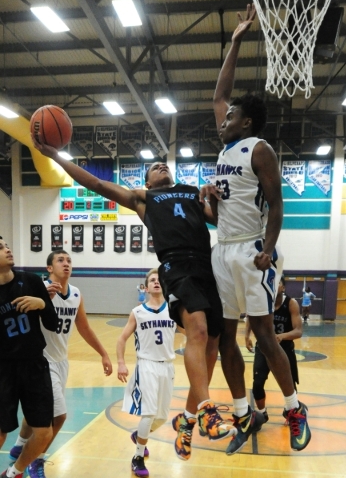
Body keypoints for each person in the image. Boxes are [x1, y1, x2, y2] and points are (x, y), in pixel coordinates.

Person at [32, 139, 236, 462]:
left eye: (164, 164)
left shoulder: (191, 191)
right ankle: (207, 410)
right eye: (154, 168)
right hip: (176, 266)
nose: (161, 166)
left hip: (207, 265)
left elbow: (224, 220)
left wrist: (215, 195)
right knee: (196, 330)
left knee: (213, 343)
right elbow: (97, 184)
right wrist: (55, 156)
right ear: (146, 182)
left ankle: (189, 419)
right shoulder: (144, 199)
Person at [201, 3, 311, 452]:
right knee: (227, 335)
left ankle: (294, 407)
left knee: (264, 334)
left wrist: (268, 248)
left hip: (252, 250)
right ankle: (246, 413)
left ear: (245, 121)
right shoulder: (227, 149)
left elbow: (279, 205)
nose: (221, 119)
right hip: (222, 247)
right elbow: (217, 96)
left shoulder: (258, 149)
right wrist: (235, 41)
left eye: (230, 116)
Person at [9, 249, 113, 478]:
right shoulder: (40, 289)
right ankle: (36, 460)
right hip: (41, 360)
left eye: (69, 260)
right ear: (49, 268)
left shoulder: (76, 294)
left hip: (61, 361)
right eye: (60, 260)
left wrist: (104, 353)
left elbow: (84, 327)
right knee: (59, 416)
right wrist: (42, 302)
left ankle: (19, 446)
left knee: (37, 413)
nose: (66, 264)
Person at [0, 237, 59, 478]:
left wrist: (42, 304)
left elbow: (53, 324)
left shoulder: (31, 281)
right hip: (3, 369)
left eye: (5, 245)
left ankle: (14, 472)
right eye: (0, 247)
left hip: (34, 365)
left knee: (44, 433)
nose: (7, 249)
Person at [117, 269, 177, 477]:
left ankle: (139, 435)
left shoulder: (173, 310)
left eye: (159, 280)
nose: (156, 282)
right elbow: (122, 339)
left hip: (167, 366)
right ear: (146, 287)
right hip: (147, 365)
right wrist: (121, 362)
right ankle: (138, 457)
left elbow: (192, 332)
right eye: (152, 280)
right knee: (149, 413)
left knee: (161, 418)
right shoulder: (138, 312)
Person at [245, 277, 302, 417]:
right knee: (257, 384)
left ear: (283, 288)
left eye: (278, 283)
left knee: (290, 385)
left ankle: (291, 410)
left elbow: (298, 331)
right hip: (263, 347)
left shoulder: (291, 303)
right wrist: (247, 336)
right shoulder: (262, 302)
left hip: (285, 348)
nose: (274, 285)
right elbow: (250, 317)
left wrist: (281, 336)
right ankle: (261, 413)